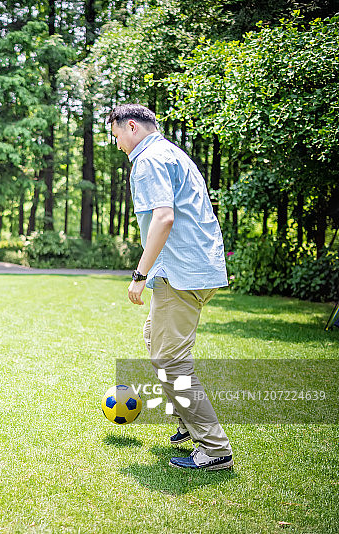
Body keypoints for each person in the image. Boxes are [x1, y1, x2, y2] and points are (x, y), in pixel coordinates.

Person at [108, 103, 233, 471]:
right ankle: (186, 421)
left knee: (171, 361)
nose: (118, 145)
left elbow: (163, 218)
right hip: (195, 268)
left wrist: (139, 274)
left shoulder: (148, 160)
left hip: (182, 272)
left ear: (132, 126)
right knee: (154, 338)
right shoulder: (172, 153)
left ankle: (214, 448)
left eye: (117, 136)